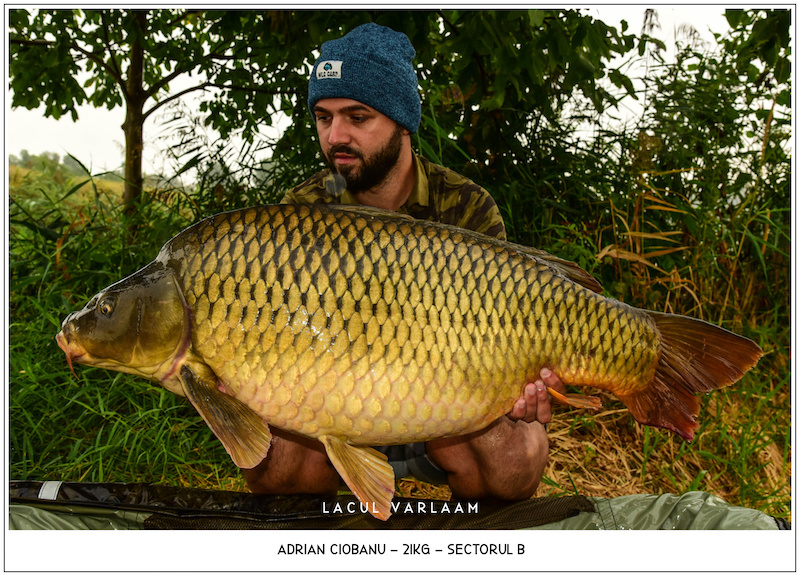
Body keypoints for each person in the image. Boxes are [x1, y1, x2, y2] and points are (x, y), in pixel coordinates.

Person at [243, 22, 566, 503]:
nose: (336, 136)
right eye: (324, 117)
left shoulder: (465, 207)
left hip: (445, 410)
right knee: (276, 475)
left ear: (401, 120)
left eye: (357, 116)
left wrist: (524, 384)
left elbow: (510, 335)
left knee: (512, 469)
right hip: (337, 411)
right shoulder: (304, 210)